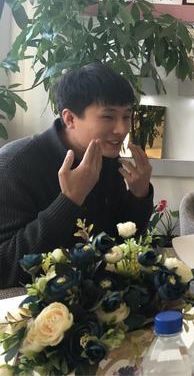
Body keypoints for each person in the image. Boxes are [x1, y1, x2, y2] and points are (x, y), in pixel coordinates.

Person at [0, 63, 153, 289]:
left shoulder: (106, 159)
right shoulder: (14, 165)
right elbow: (6, 268)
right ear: (70, 118)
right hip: (33, 301)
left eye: (127, 116)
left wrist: (139, 196)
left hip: (97, 292)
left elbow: (120, 241)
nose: (122, 129)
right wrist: (69, 201)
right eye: (108, 117)